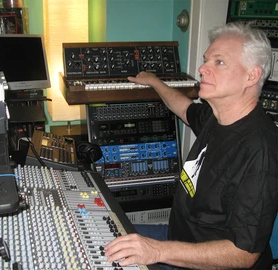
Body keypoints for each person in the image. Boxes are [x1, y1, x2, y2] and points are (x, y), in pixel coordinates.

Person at [104, 21, 278, 269]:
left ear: (251, 76)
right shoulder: (216, 116)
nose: (202, 68)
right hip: (178, 240)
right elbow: (183, 107)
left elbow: (243, 253)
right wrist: (154, 81)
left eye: (219, 62)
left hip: (204, 260)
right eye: (206, 60)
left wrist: (156, 251)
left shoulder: (260, 151)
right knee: (104, 236)